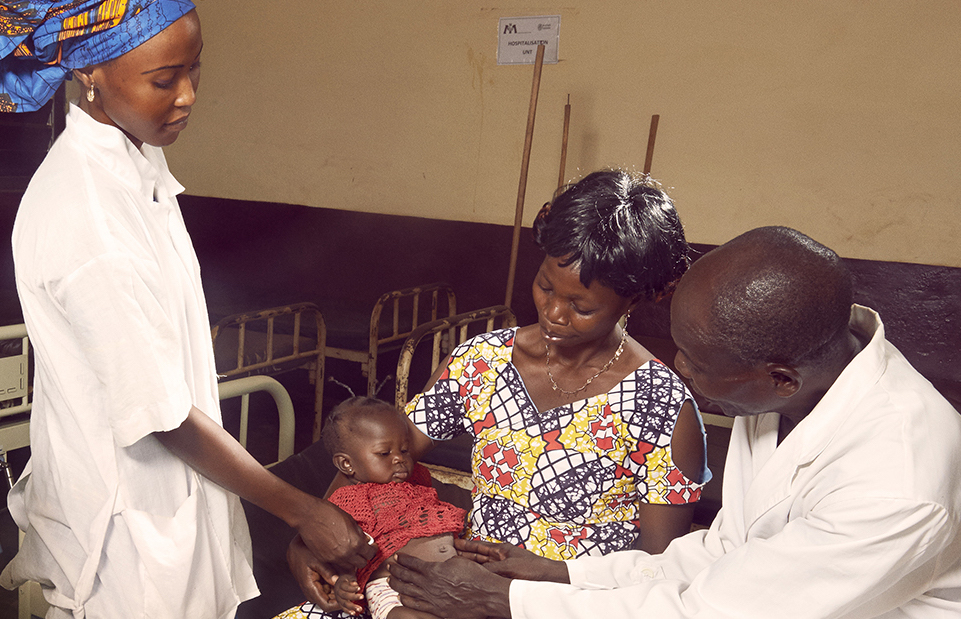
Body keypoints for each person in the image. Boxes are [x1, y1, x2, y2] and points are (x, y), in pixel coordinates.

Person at [0, 3, 374, 617]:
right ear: (91, 73)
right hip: (125, 540)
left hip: (169, 507)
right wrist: (302, 510)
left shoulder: (135, 164)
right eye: (165, 79)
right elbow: (162, 414)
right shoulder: (87, 214)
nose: (188, 96)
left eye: (195, 71)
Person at [387, 226, 961, 619]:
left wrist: (508, 600)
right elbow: (725, 553)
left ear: (780, 377)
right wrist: (563, 575)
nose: (676, 370)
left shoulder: (895, 485)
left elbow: (709, 610)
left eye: (699, 364)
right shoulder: (791, 386)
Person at [284, 169, 710, 613]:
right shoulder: (481, 362)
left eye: (581, 307)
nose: (553, 314)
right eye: (546, 287)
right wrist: (307, 542)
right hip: (449, 586)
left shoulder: (662, 406)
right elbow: (373, 458)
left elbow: (658, 570)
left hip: (563, 606)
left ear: (632, 300)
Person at [277, 397, 466, 619]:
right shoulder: (348, 502)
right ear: (347, 464)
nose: (399, 459)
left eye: (404, 450)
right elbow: (340, 551)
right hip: (393, 587)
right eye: (384, 453)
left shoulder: (417, 480)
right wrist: (344, 585)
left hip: (450, 576)